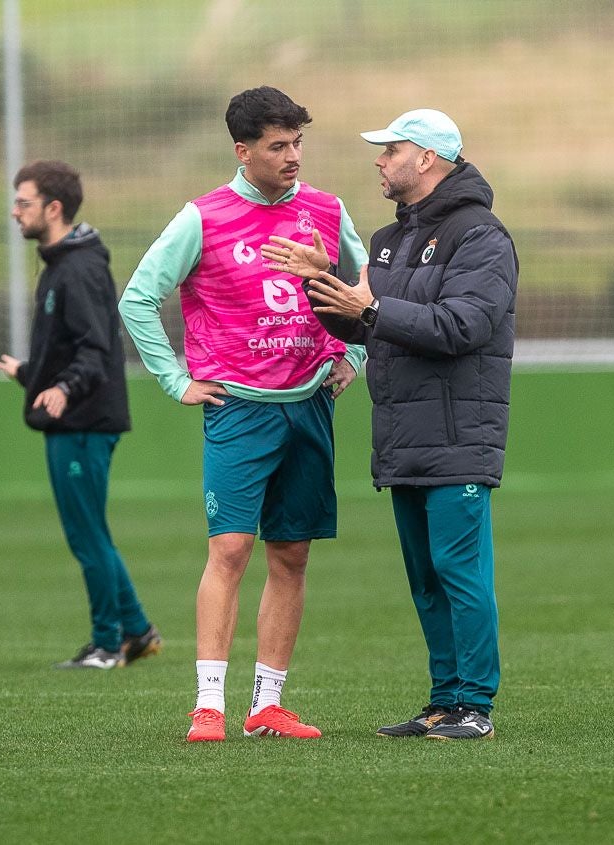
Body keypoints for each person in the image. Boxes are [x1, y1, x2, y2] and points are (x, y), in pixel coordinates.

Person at [119, 86, 369, 742]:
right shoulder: (202, 217)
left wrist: (353, 352)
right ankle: (208, 704)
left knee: (291, 554)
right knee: (229, 548)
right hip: (238, 409)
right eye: (277, 146)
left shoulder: (324, 208)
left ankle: (268, 704)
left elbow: (368, 285)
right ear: (242, 150)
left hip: (309, 402)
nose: (292, 157)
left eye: (297, 143)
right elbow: (138, 299)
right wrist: (176, 380)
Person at [266, 109, 518, 740]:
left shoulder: (481, 235)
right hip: (403, 435)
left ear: (428, 158)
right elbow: (362, 324)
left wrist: (372, 306)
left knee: (460, 572)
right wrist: (318, 280)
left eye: (391, 150)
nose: (379, 160)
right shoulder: (385, 239)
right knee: (426, 578)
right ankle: (443, 700)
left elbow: (464, 326)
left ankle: (475, 706)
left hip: (459, 433)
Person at [0, 160, 161, 671]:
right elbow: (71, 348)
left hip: (84, 421)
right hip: (72, 416)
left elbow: (95, 349)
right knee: (90, 531)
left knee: (87, 535)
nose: (16, 211)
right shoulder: (60, 264)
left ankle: (106, 644)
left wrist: (64, 388)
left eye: (23, 202)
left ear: (54, 208)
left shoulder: (80, 268)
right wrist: (32, 375)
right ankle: (136, 631)